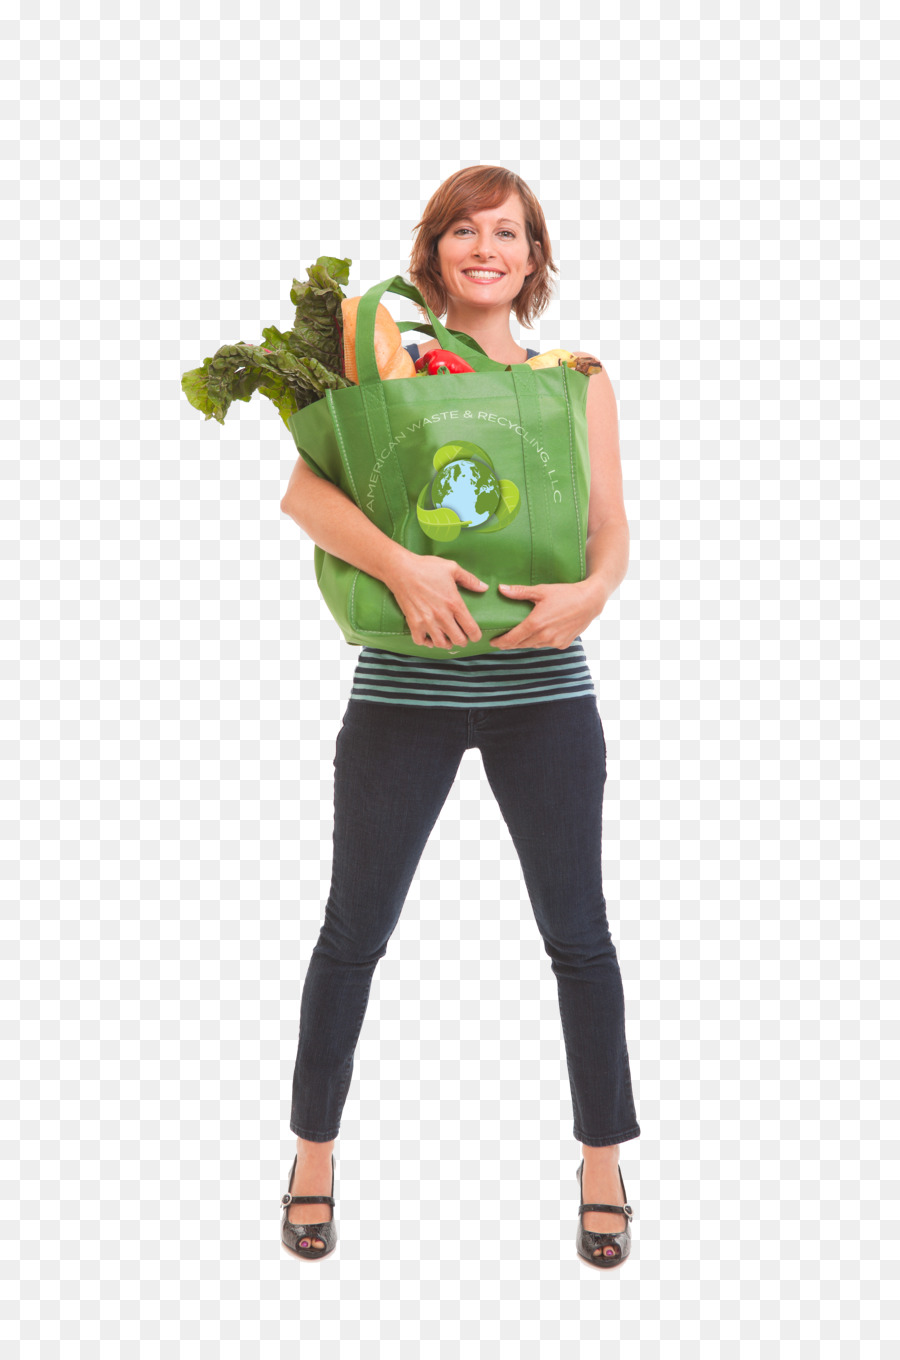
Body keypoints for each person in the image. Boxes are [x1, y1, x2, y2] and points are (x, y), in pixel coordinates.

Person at [278, 166, 640, 1265]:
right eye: (467, 230)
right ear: (435, 249)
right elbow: (303, 490)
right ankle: (310, 1155)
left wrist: (590, 594)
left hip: (545, 692)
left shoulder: (577, 377)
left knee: (578, 933)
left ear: (535, 260)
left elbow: (612, 529)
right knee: (355, 930)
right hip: (403, 691)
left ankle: (604, 1161)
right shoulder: (383, 365)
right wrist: (406, 569)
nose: (488, 247)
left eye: (511, 233)